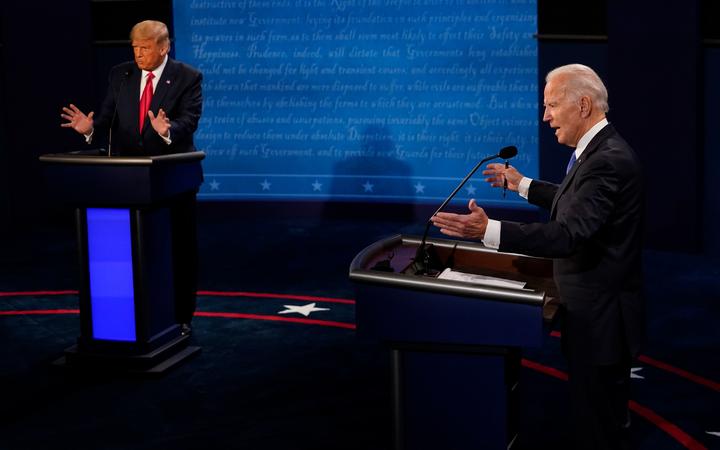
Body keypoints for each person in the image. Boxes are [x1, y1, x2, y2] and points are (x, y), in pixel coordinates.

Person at [431, 64, 644, 450]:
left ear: (582, 105)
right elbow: (574, 200)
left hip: (600, 322)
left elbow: (568, 234)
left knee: (600, 428)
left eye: (551, 106)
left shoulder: (606, 161)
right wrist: (522, 184)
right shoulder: (599, 150)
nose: (545, 117)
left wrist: (488, 231)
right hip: (593, 314)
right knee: (595, 417)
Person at [61, 20, 203, 335]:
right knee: (134, 253)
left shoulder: (187, 77)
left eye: (145, 47)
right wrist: (90, 130)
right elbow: (107, 119)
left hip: (172, 179)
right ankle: (135, 318)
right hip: (127, 182)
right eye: (135, 47)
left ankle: (182, 318)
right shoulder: (121, 75)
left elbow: (189, 121)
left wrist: (169, 131)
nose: (138, 54)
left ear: (164, 47)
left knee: (179, 250)